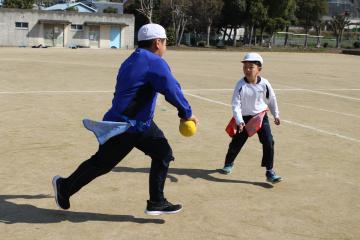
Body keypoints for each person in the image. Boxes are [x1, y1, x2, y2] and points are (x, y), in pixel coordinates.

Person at [52, 23, 199, 215]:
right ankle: (64, 186)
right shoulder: (155, 62)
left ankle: (156, 201)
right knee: (101, 164)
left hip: (138, 123)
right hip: (125, 126)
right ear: (157, 43)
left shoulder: (131, 59)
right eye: (165, 43)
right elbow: (171, 88)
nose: (165, 47)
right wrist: (186, 113)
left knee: (162, 153)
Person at [221, 52, 282, 183]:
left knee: (269, 142)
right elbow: (235, 105)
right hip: (244, 119)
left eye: (251, 67)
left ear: (259, 69)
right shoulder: (240, 85)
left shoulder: (265, 84)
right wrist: (239, 121)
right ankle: (228, 163)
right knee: (236, 143)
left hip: (260, 118)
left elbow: (272, 99)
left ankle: (270, 171)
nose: (247, 70)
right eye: (245, 67)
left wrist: (275, 114)